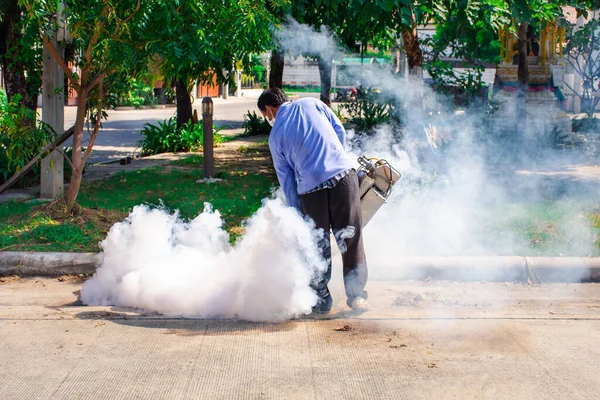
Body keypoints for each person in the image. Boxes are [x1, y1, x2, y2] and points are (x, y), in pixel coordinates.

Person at [257, 88, 368, 313]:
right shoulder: (312, 103)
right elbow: (339, 130)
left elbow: (286, 180)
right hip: (344, 178)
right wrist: (334, 158)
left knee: (316, 246)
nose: (267, 119)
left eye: (264, 114)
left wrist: (297, 213)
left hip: (311, 190)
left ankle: (321, 300)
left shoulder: (275, 136)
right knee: (350, 237)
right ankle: (357, 297)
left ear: (269, 109)